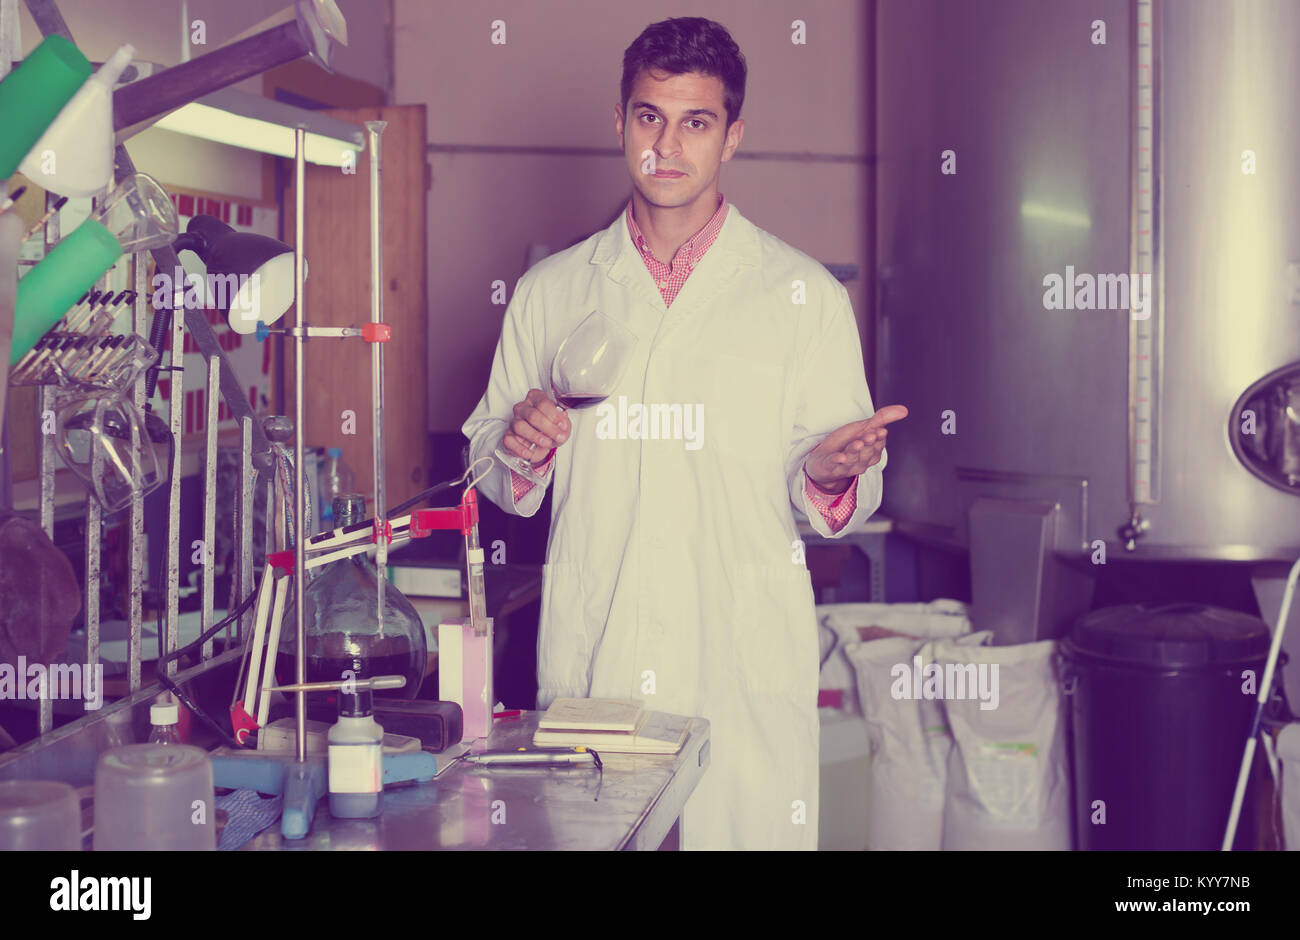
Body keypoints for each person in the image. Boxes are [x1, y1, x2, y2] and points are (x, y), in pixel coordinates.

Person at [463, 16, 906, 850]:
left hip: (737, 661)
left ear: (732, 135)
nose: (667, 146)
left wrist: (828, 470)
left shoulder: (802, 296)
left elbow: (849, 482)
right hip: (600, 660)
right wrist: (517, 449)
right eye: (649, 117)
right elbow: (490, 458)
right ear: (620, 123)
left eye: (696, 122)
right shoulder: (551, 291)